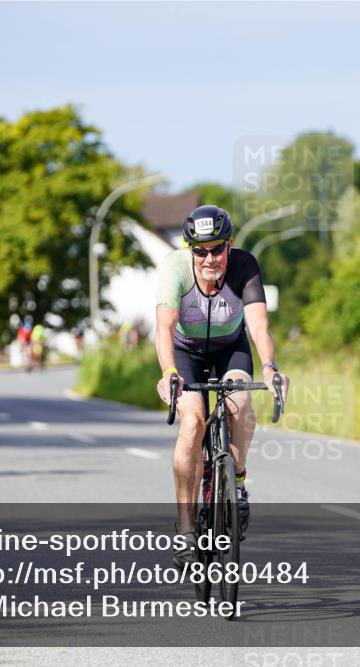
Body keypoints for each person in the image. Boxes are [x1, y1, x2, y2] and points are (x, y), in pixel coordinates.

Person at [154, 204, 289, 566]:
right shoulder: (175, 269)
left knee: (241, 405)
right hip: (186, 354)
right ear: (190, 250)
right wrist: (169, 371)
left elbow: (258, 325)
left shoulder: (245, 266)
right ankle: (185, 529)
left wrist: (270, 368)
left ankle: (238, 484)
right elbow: (164, 327)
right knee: (193, 421)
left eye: (217, 248)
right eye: (200, 250)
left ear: (229, 246)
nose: (209, 258)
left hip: (231, 348)